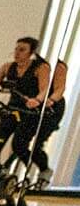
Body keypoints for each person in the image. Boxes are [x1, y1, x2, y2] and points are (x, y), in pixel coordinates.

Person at [0, 36, 55, 183]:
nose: (17, 52)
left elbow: (44, 90)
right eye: (16, 49)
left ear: (31, 52)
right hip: (12, 109)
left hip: (30, 112)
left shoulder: (41, 68)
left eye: (22, 50)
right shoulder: (8, 67)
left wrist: (37, 100)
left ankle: (42, 169)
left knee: (19, 145)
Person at [31, 57, 68, 188]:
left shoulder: (58, 67)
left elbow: (60, 88)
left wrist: (50, 100)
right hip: (34, 104)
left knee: (37, 144)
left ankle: (44, 172)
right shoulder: (31, 65)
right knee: (19, 143)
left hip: (51, 107)